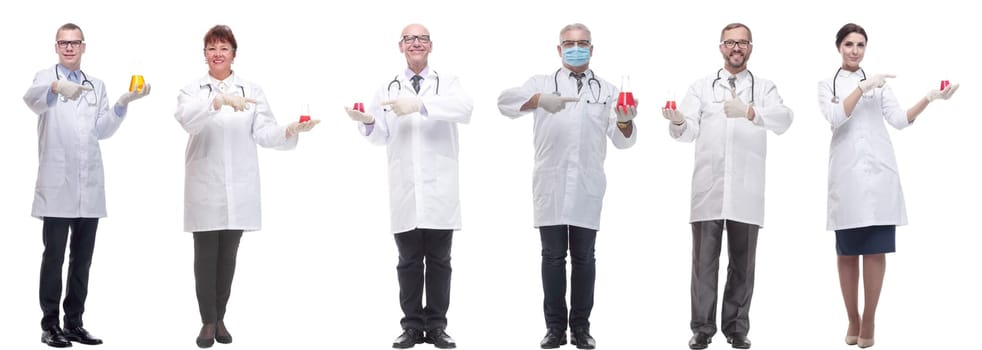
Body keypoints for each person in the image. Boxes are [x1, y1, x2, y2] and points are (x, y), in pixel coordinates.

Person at [174, 24, 319, 349]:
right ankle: (208, 321)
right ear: (205, 55)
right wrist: (216, 101)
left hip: (239, 188)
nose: (218, 54)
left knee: (228, 257)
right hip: (205, 188)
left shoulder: (251, 90)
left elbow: (263, 132)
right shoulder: (192, 91)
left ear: (234, 54)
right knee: (205, 257)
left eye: (224, 48)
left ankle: (220, 315)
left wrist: (290, 129)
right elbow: (187, 121)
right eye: (212, 48)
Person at [497, 23, 638, 350]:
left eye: (583, 43)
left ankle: (582, 329)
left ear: (592, 48)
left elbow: (623, 142)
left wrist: (625, 120)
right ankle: (555, 329)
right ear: (559, 50)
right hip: (551, 183)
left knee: (585, 258)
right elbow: (504, 103)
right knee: (552, 256)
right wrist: (538, 100)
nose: (576, 48)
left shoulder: (607, 90)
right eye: (569, 44)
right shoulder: (542, 83)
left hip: (587, 186)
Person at [817, 23, 958, 349]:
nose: (855, 50)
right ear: (838, 47)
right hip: (847, 180)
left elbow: (899, 120)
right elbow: (835, 117)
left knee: (876, 249)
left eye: (861, 45)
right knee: (848, 252)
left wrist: (929, 98)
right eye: (849, 44)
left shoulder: (880, 86)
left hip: (879, 178)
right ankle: (852, 316)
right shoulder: (827, 84)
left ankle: (869, 318)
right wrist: (862, 89)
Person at [662, 23, 792, 350]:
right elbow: (688, 129)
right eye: (731, 42)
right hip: (708, 189)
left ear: (751, 47)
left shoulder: (764, 88)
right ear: (721, 47)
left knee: (742, 266)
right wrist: (678, 120)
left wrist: (750, 111)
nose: (737, 48)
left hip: (746, 192)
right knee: (703, 265)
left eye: (743, 42)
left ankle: (736, 329)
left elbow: (784, 119)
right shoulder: (702, 87)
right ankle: (702, 330)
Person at [344, 23, 472, 349]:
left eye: (422, 38)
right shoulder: (388, 87)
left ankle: (438, 327)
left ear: (431, 45)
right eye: (409, 39)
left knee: (440, 261)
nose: (416, 43)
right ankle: (413, 327)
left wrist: (420, 105)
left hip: (439, 188)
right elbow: (381, 135)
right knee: (409, 262)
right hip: (405, 189)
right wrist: (369, 122)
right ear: (400, 46)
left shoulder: (448, 84)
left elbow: (465, 109)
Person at [23, 22, 150, 348]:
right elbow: (32, 100)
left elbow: (101, 130)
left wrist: (122, 103)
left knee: (83, 259)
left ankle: (74, 323)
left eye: (74, 43)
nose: (69, 48)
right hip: (57, 184)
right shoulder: (43, 76)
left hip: (89, 185)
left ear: (83, 46)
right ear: (56, 47)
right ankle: (50, 326)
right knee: (54, 257)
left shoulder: (97, 85)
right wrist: (55, 87)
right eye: (63, 43)